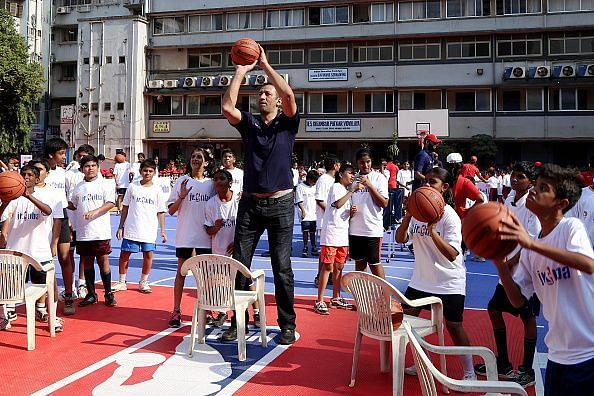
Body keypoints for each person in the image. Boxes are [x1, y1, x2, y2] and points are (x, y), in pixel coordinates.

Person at [221, 43, 299, 345]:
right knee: (241, 264)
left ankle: (287, 324)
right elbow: (228, 107)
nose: (262, 96)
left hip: (281, 203)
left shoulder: (287, 123)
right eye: (260, 93)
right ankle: (237, 319)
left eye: (268, 93)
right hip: (251, 204)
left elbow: (290, 95)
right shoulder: (250, 124)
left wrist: (265, 66)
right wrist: (240, 72)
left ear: (277, 101)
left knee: (282, 269)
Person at [495, 163, 594, 395]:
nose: (534, 190)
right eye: (536, 185)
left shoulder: (570, 227)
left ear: (561, 204)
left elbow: (588, 264)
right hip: (557, 355)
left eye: (543, 188)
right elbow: (518, 301)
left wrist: (531, 244)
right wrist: (500, 266)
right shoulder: (531, 251)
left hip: (588, 354)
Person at [395, 167, 476, 381]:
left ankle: (469, 371)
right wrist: (407, 217)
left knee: (454, 326)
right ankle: (424, 361)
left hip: (448, 281)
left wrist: (432, 232)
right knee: (407, 322)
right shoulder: (418, 211)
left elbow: (452, 254)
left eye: (433, 182)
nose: (427, 185)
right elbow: (400, 239)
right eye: (426, 181)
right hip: (421, 279)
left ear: (445, 187)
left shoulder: (450, 216)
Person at [474, 161, 541, 388]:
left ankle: (528, 369)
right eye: (514, 175)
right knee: (494, 309)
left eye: (520, 176)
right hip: (508, 266)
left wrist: (509, 262)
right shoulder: (510, 198)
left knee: (528, 317)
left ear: (530, 182)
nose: (514, 179)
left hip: (526, 269)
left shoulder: (533, 203)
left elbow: (530, 240)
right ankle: (503, 362)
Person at [0, 164, 64, 331]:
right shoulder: (12, 197)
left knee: (47, 287)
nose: (26, 177)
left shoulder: (47, 195)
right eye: (23, 174)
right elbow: (2, 217)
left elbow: (48, 211)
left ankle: (53, 317)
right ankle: (5, 315)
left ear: (37, 179)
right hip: (16, 252)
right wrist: (5, 203)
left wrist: (28, 196)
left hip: (39, 252)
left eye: (30, 175)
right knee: (8, 287)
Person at [166, 146, 215, 327]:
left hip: (204, 236)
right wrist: (181, 197)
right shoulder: (181, 181)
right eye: (193, 156)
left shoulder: (211, 184)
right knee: (181, 273)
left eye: (199, 157)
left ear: (206, 162)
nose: (195, 159)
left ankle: (207, 308)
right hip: (185, 236)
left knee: (205, 276)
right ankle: (176, 311)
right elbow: (171, 211)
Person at [68, 155, 117, 307]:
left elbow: (110, 203)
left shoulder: (106, 184)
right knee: (87, 262)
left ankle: (108, 293)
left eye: (93, 165)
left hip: (100, 230)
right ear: (82, 169)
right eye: (87, 166)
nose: (90, 168)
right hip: (83, 231)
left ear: (98, 167)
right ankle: (91, 294)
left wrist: (95, 212)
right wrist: (60, 203)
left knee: (103, 261)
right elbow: (73, 205)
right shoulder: (78, 187)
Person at [113, 159, 167, 294]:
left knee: (148, 255)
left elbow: (160, 212)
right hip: (132, 228)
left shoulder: (157, 190)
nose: (147, 173)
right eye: (145, 170)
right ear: (140, 171)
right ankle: (121, 281)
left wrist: (163, 231)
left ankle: (143, 282)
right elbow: (125, 207)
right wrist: (121, 226)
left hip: (149, 229)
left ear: (154, 173)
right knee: (125, 254)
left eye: (150, 171)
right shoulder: (133, 186)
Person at [314, 163, 357, 315]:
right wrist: (351, 192)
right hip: (331, 233)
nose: (352, 176)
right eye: (350, 173)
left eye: (354, 173)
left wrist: (351, 212)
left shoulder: (345, 190)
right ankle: (319, 300)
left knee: (339, 267)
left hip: (342, 234)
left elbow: (342, 212)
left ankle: (335, 297)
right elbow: (337, 204)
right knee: (328, 267)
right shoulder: (335, 187)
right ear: (341, 174)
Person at [204, 168, 244, 327]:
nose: (218, 181)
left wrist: (238, 242)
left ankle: (254, 312)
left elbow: (246, 228)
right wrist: (216, 227)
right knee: (220, 283)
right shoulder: (211, 204)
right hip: (219, 250)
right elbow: (208, 230)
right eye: (216, 179)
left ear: (230, 183)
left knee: (244, 280)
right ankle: (222, 312)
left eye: (222, 178)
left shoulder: (239, 202)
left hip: (237, 249)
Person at [44, 138, 75, 314]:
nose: (64, 156)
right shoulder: (38, 169)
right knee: (43, 259)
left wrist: (69, 218)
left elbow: (64, 199)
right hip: (42, 217)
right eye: (61, 153)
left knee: (65, 257)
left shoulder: (62, 173)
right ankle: (44, 301)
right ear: (51, 154)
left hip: (61, 217)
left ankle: (69, 296)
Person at [349, 147, 389, 278]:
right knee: (359, 265)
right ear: (357, 163)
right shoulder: (352, 179)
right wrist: (350, 210)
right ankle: (363, 296)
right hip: (355, 229)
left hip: (372, 229)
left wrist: (370, 185)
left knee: (374, 264)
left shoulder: (379, 178)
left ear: (372, 161)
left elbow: (384, 203)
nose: (365, 165)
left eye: (368, 161)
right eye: (362, 162)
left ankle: (384, 295)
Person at [65, 144, 96, 301]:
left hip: (85, 223)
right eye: (80, 156)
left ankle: (82, 283)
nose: (82, 158)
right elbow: (64, 199)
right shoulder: (69, 175)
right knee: (68, 254)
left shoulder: (97, 178)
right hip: (71, 220)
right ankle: (69, 285)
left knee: (84, 255)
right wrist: (67, 219)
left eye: (86, 156)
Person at [314, 155, 341, 284]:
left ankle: (328, 275)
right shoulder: (323, 179)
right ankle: (320, 276)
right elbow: (319, 199)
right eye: (339, 164)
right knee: (325, 251)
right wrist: (331, 212)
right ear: (335, 165)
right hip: (325, 221)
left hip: (334, 221)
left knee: (332, 250)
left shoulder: (334, 180)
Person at [296, 170, 319, 258]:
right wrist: (303, 211)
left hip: (314, 213)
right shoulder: (300, 187)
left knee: (313, 232)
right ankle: (305, 247)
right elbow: (299, 201)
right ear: (309, 179)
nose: (314, 183)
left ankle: (313, 247)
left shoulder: (315, 187)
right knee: (305, 231)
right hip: (305, 213)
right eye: (313, 181)